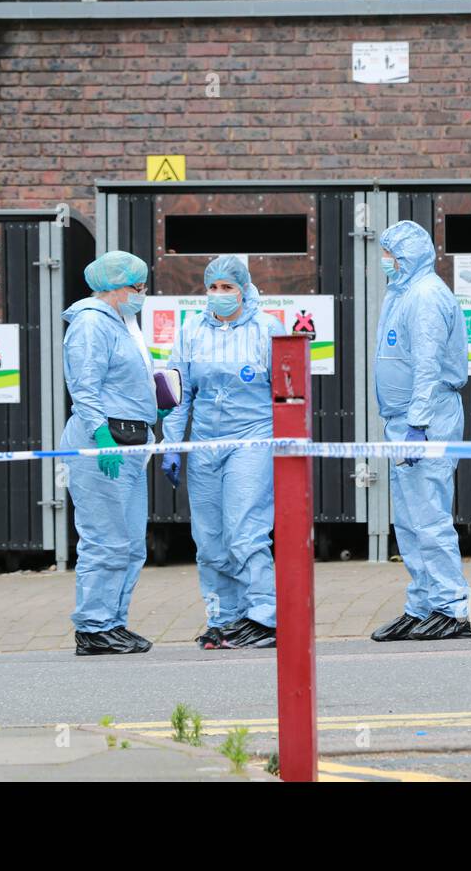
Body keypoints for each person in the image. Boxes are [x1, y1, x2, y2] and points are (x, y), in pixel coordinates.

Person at [161, 256, 285, 649]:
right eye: (212, 287)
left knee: (245, 532)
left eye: (227, 288)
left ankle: (264, 617)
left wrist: (283, 445)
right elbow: (176, 390)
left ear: (244, 290)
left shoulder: (268, 329)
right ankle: (224, 617)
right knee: (210, 538)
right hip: (205, 445)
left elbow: (285, 393)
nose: (219, 295)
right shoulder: (192, 330)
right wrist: (172, 444)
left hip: (252, 438)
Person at [61, 250, 169, 656]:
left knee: (129, 543)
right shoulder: (91, 323)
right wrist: (100, 433)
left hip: (131, 441)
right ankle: (93, 627)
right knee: (104, 540)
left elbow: (125, 378)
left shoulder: (122, 323)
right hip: (104, 443)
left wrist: (154, 402)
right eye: (136, 287)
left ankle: (113, 621)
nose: (141, 293)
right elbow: (84, 386)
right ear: (113, 286)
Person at [371, 221, 471, 641]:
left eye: (391, 255)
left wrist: (417, 423)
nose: (386, 262)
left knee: (429, 517)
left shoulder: (426, 295)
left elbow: (428, 365)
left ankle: (451, 609)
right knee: (409, 521)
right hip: (404, 422)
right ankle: (423, 605)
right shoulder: (402, 294)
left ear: (407, 257)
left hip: (426, 420)